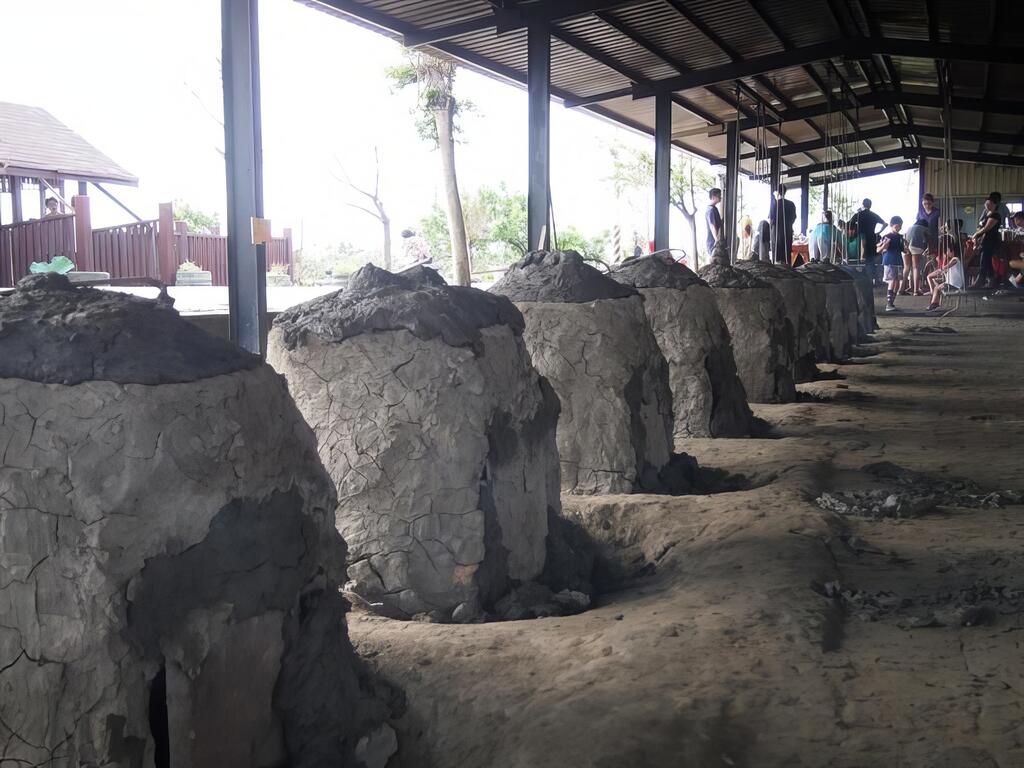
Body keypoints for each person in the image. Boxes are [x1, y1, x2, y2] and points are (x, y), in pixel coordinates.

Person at [970, 193, 1003, 288]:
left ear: (995, 204)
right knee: (987, 261)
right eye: (986, 203)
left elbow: (987, 228)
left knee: (984, 260)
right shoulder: (985, 213)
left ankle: (980, 280)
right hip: (984, 240)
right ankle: (992, 280)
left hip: (991, 241)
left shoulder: (995, 215)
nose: (987, 205)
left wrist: (976, 234)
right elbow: (980, 226)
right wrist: (977, 237)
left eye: (990, 203)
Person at [850, 199, 886, 281]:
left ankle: (864, 280)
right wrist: (878, 232)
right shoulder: (874, 215)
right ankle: (873, 279)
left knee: (860, 262)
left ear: (863, 204)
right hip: (871, 238)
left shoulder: (858, 215)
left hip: (860, 238)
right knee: (870, 260)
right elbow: (885, 224)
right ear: (870, 205)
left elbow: (850, 225)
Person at [877, 216, 906, 312]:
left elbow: (904, 250)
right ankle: (888, 304)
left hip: (898, 260)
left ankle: (891, 303)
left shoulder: (901, 237)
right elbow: (879, 250)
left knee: (897, 282)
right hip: (889, 261)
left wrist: (906, 246)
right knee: (892, 281)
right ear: (891, 226)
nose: (898, 228)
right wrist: (884, 246)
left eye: (900, 226)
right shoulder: (887, 236)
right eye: (896, 226)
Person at [768, 184, 797, 265]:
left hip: (776, 233)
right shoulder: (791, 204)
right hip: (787, 232)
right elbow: (793, 218)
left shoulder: (775, 204)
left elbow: (771, 220)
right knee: (786, 254)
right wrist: (788, 224)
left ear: (777, 192)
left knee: (776, 255)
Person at [903, 218, 930, 296]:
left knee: (907, 267)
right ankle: (916, 290)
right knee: (916, 268)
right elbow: (928, 239)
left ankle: (901, 289)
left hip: (905, 247)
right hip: (916, 246)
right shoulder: (924, 228)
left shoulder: (910, 227)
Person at [705, 187, 723, 257]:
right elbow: (712, 226)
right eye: (719, 196)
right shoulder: (710, 210)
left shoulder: (714, 208)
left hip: (715, 241)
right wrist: (717, 241)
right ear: (713, 197)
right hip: (713, 242)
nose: (720, 197)